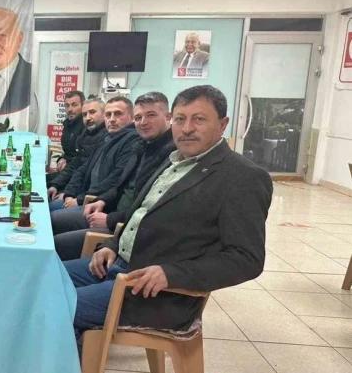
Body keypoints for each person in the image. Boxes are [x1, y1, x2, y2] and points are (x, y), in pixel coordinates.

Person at [65, 85, 272, 338]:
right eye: (180, 119)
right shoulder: (173, 161)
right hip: (118, 265)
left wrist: (171, 274)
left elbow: (246, 259)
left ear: (222, 124)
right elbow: (140, 214)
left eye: (199, 119)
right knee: (42, 279)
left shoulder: (242, 177)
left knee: (48, 305)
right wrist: (112, 244)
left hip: (154, 294)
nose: (186, 128)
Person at [54, 92, 176, 260]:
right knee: (50, 221)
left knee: (56, 237)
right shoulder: (140, 145)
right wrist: (102, 200)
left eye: (151, 115)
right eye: (139, 117)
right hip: (108, 210)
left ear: (168, 117)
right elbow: (118, 185)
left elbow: (147, 209)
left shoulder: (169, 154)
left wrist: (108, 217)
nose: (143, 122)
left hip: (119, 225)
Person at [48, 96, 139, 213]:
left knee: (50, 214)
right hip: (83, 194)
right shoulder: (105, 137)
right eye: (108, 115)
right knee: (46, 206)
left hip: (99, 203)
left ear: (132, 117)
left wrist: (79, 199)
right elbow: (82, 168)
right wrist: (69, 194)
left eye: (118, 114)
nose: (112, 119)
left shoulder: (133, 142)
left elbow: (115, 179)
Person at [47, 97, 107, 196]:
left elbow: (87, 174)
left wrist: (68, 194)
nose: (88, 118)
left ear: (104, 114)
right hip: (75, 186)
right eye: (85, 114)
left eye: (92, 112)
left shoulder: (106, 138)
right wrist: (56, 185)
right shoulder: (84, 135)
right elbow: (75, 164)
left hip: (86, 194)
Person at [47, 90, 86, 184]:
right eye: (67, 105)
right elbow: (69, 151)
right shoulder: (67, 125)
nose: (70, 109)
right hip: (66, 171)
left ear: (83, 105)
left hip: (77, 175)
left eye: (74, 105)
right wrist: (62, 158)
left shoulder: (85, 127)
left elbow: (83, 158)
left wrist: (67, 164)